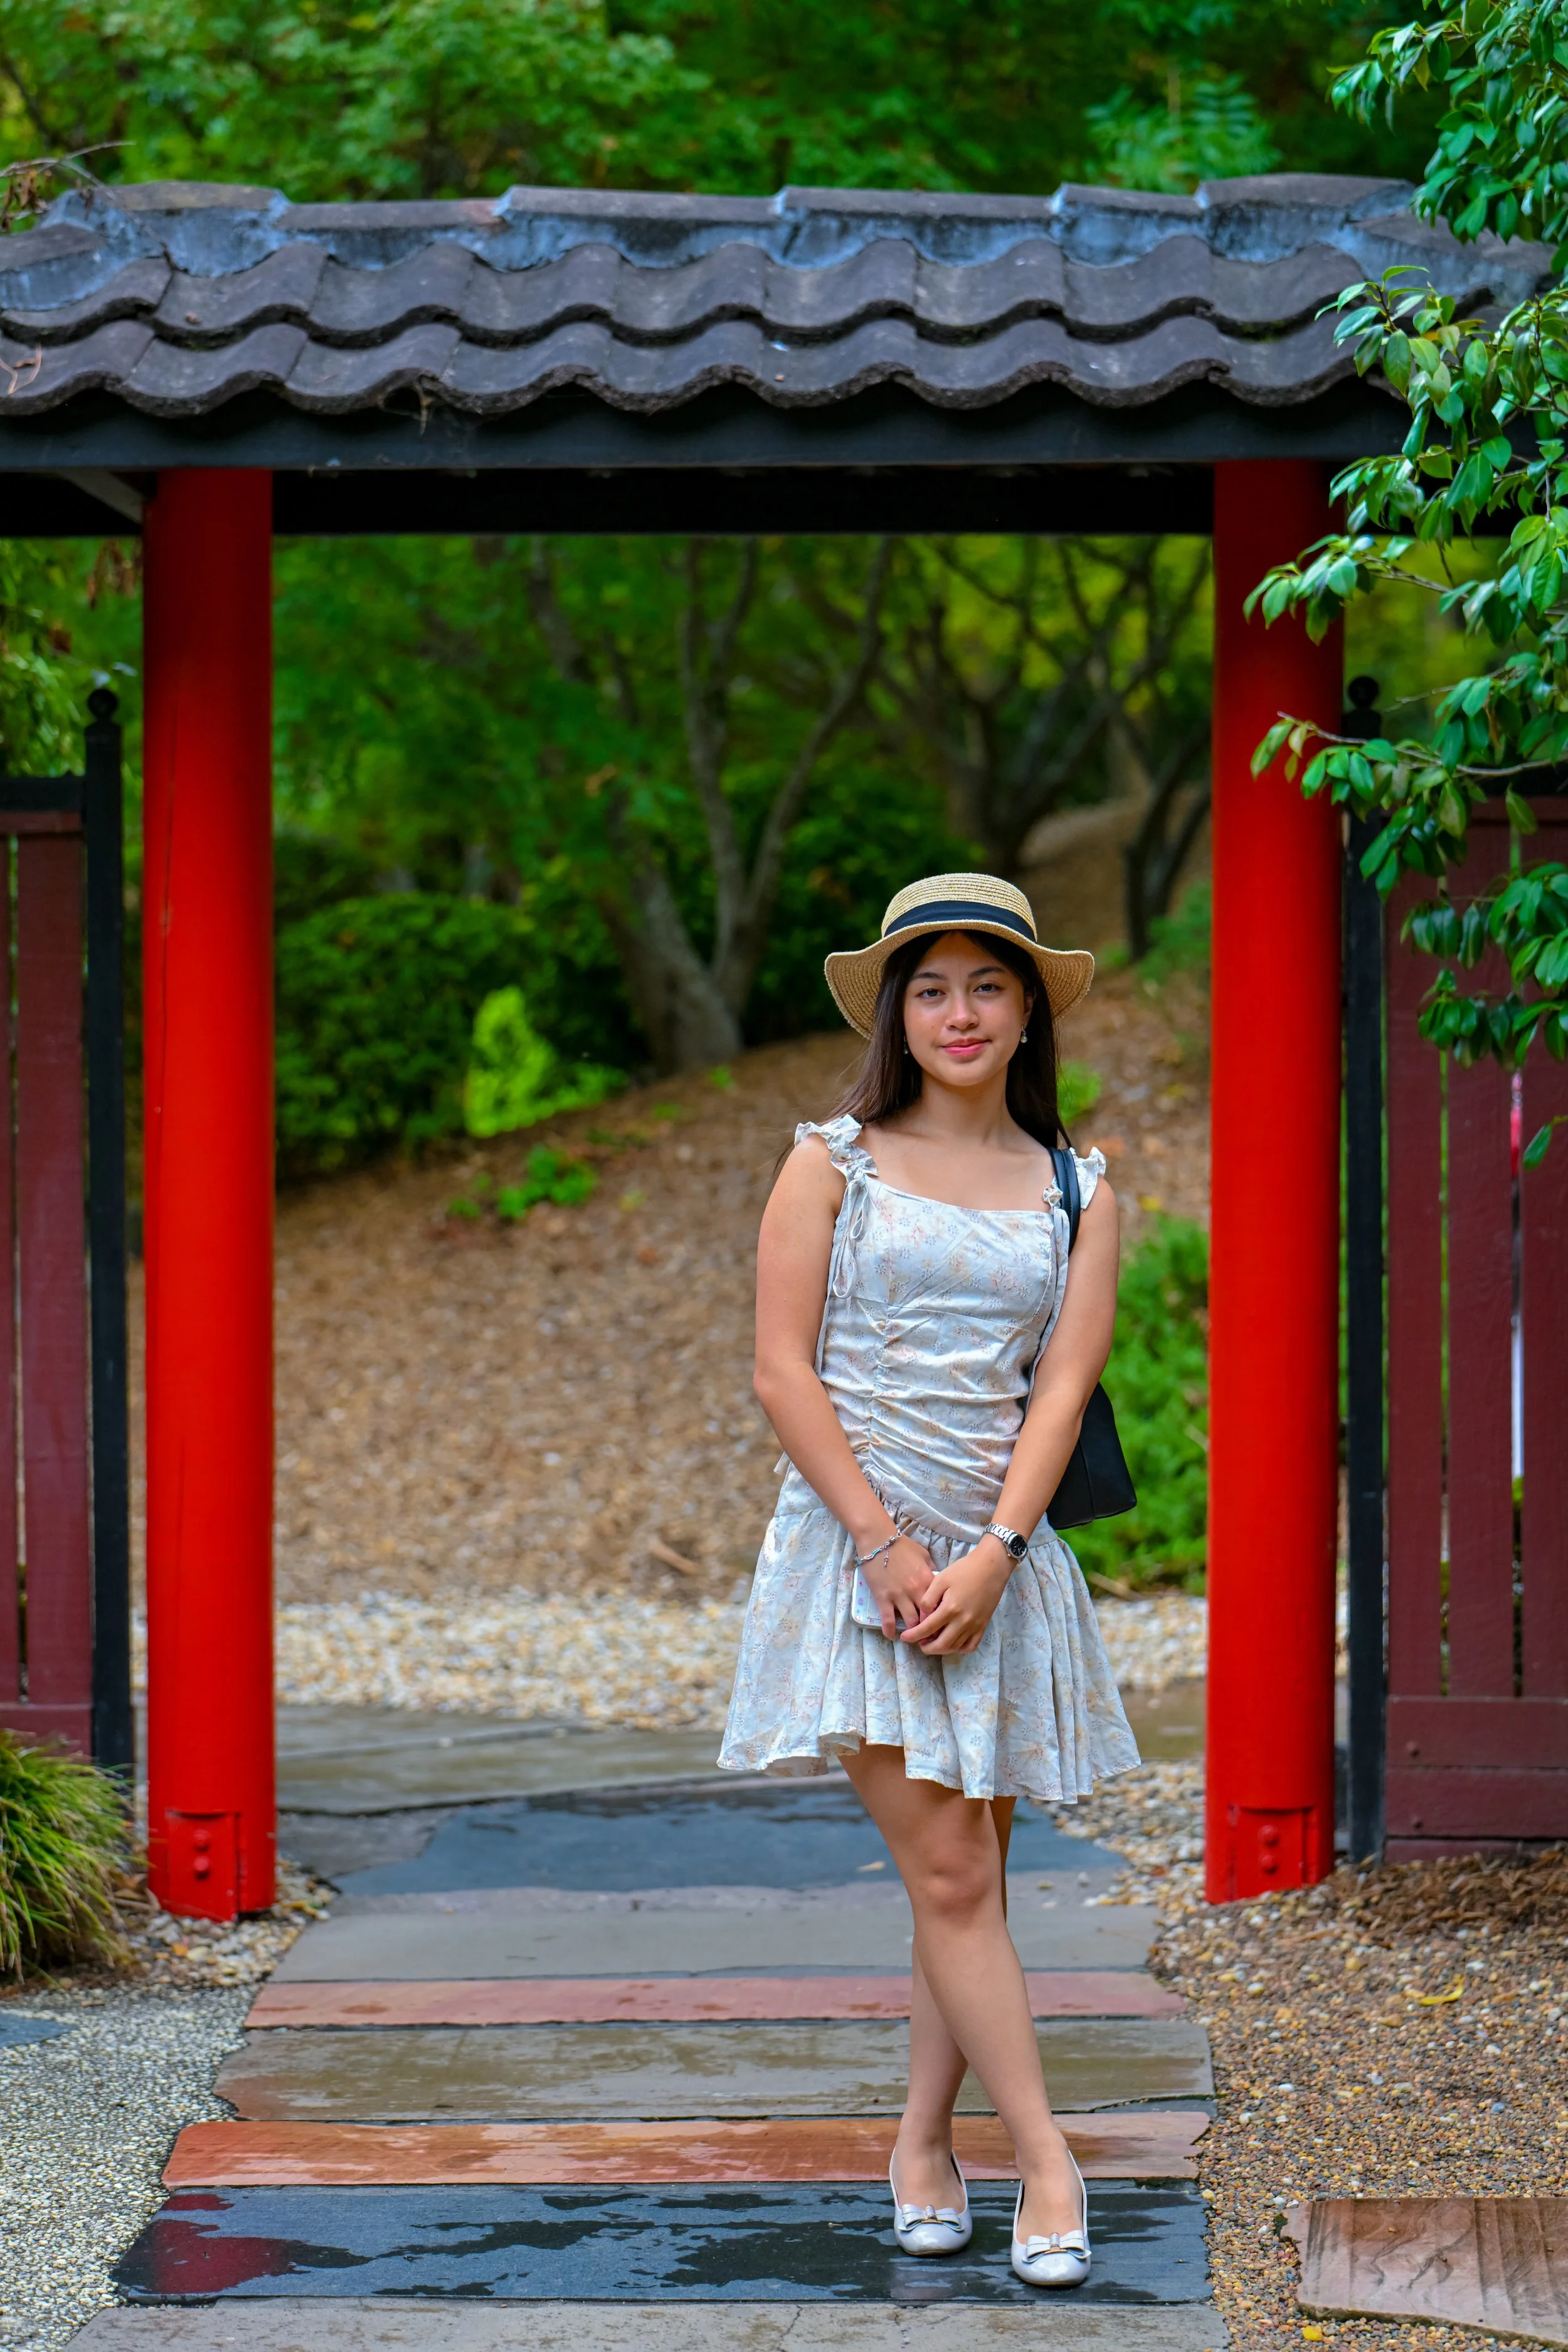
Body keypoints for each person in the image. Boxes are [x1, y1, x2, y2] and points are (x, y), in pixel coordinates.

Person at [719, 871, 1138, 2290]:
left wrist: (997, 1553)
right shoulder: (828, 1160)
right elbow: (782, 1371)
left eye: (987, 985)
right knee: (954, 1870)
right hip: (857, 1559)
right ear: (900, 1011)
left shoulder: (1078, 1185)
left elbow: (1064, 1386)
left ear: (1027, 1012)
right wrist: (889, 1547)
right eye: (932, 987)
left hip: (999, 1560)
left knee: (966, 1882)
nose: (959, 1012)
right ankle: (1047, 2159)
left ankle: (918, 2145)